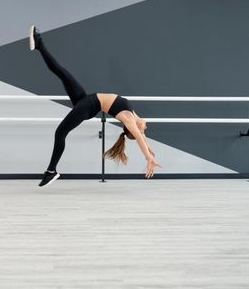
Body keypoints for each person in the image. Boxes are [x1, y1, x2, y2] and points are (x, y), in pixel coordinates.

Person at [30, 25, 161, 187]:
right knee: (62, 73)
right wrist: (149, 150)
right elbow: (142, 137)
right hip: (87, 100)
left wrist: (148, 157)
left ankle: (51, 171)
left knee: (60, 133)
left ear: (134, 129)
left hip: (89, 106)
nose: (145, 128)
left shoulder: (128, 119)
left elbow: (139, 136)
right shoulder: (133, 116)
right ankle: (39, 44)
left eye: (142, 130)